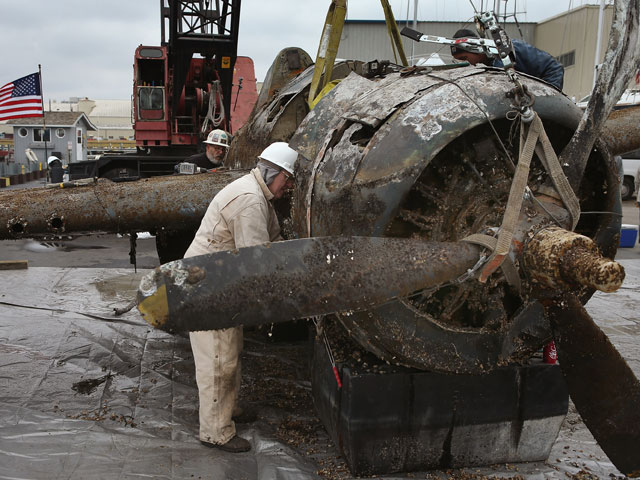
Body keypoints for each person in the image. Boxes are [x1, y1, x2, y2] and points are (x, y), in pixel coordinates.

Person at [183, 141, 298, 453]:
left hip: (221, 281)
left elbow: (273, 243)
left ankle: (228, 410)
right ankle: (216, 432)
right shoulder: (249, 201)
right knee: (218, 360)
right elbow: (256, 261)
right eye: (287, 180)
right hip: (210, 288)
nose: (288, 187)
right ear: (272, 173)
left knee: (229, 352)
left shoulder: (259, 195)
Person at [450, 29, 564, 90]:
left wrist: (550, 92)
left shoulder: (506, 51)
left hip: (548, 80)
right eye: (458, 60)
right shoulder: (488, 64)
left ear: (478, 51)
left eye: (464, 58)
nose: (464, 64)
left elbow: (554, 68)